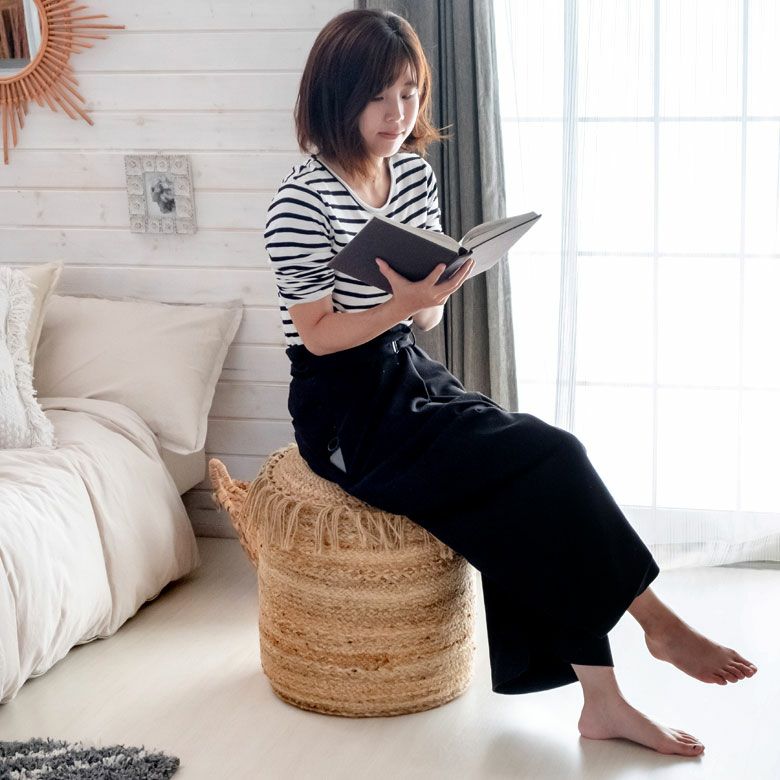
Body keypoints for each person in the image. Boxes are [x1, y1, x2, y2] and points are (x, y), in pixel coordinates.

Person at [263, 8, 757, 758]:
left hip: (406, 368)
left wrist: (436, 290)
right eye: (378, 98)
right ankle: (656, 624)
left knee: (529, 477)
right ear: (337, 96)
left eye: (409, 94)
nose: (398, 115)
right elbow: (319, 335)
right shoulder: (299, 202)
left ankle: (603, 704)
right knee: (550, 454)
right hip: (341, 409)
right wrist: (402, 302)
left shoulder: (412, 174)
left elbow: (423, 322)